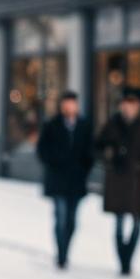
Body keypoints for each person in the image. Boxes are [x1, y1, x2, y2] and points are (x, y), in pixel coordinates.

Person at [95, 86, 140, 276]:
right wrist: (108, 156)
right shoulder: (112, 123)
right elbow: (98, 146)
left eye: (132, 103)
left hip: (138, 181)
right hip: (118, 180)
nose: (128, 107)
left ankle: (127, 257)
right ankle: (123, 261)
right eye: (126, 103)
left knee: (137, 223)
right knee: (119, 223)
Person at [36, 91, 94, 269]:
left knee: (71, 220)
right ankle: (61, 254)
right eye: (67, 103)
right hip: (58, 179)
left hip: (76, 180)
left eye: (72, 103)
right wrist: (55, 161)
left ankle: (65, 249)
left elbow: (90, 151)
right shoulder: (52, 125)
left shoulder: (84, 125)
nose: (70, 107)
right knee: (60, 217)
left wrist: (84, 168)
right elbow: (42, 150)